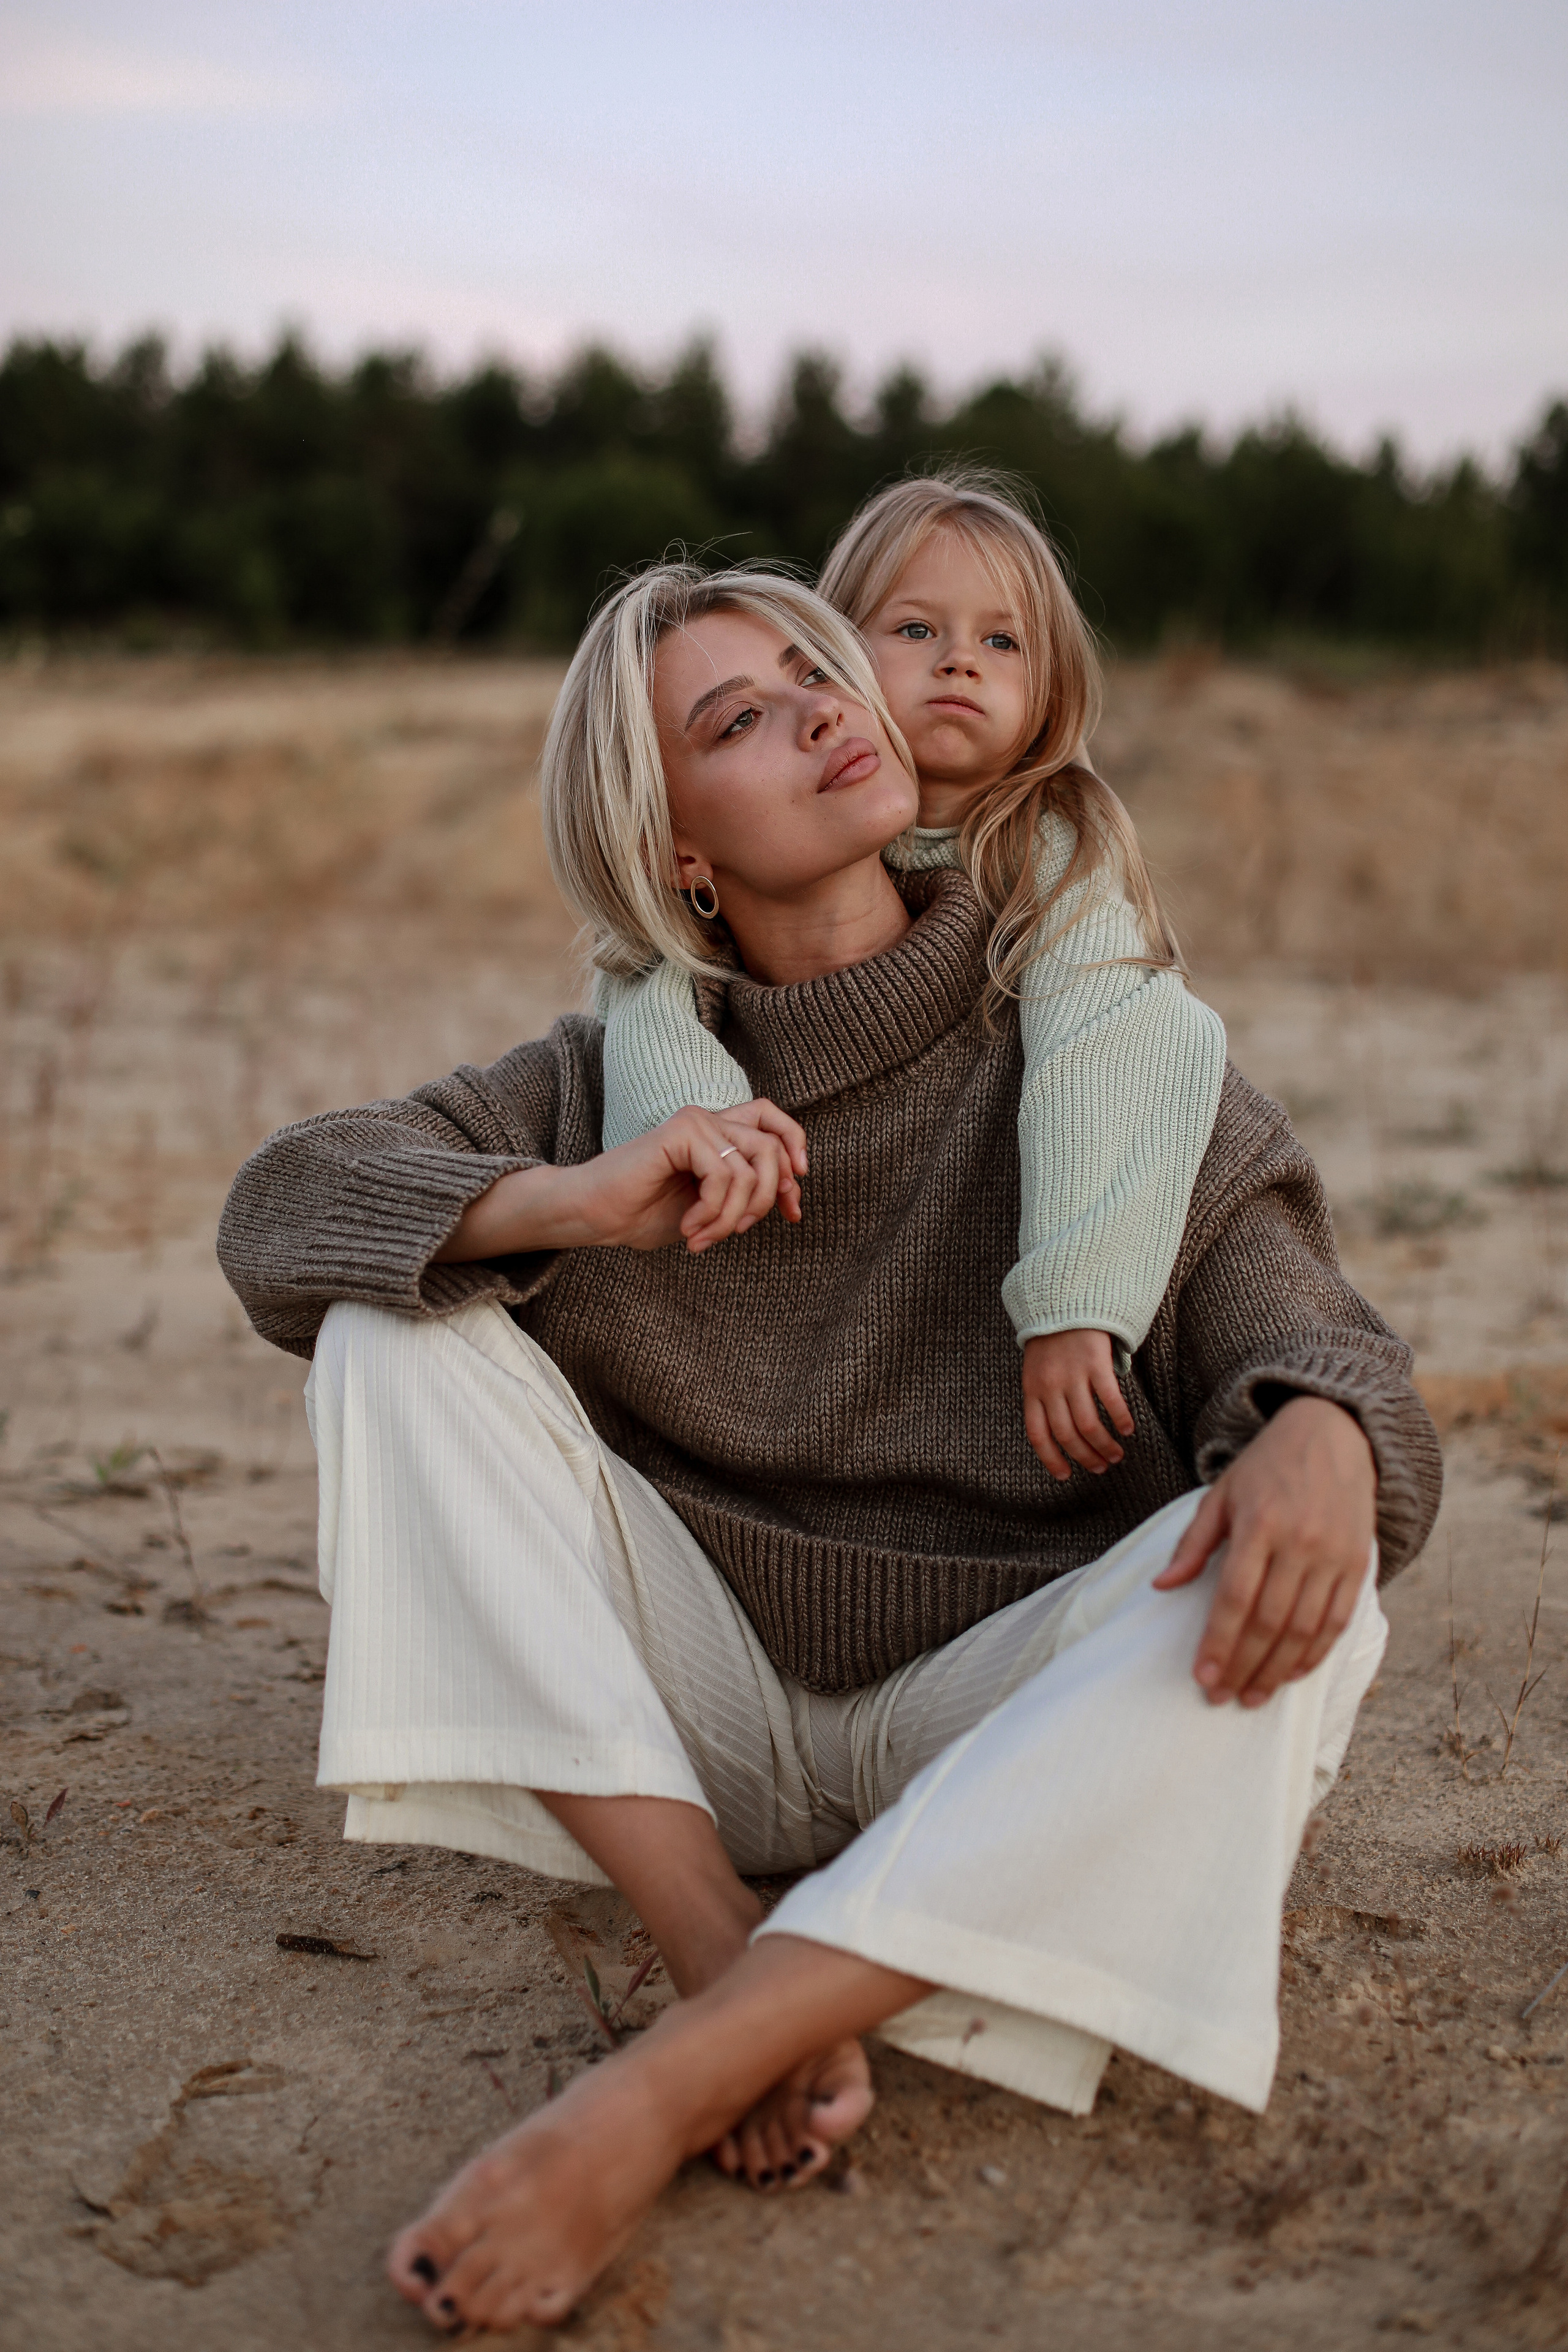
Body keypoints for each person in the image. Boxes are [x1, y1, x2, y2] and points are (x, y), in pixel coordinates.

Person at [217, 564, 1441, 2337]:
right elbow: (281, 1211)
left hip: (990, 1707)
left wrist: (1325, 1431)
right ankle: (719, 1938)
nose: (816, 709)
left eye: (814, 671)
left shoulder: (1094, 1044)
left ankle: (677, 2074)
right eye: (736, 719)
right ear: (676, 852)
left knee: (1303, 1588)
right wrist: (580, 1200)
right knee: (388, 1325)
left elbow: (1312, 1333)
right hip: (690, 1708)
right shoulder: (606, 1080)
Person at [595, 472, 1226, 1485]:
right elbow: (645, 982)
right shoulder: (798, 838)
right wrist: (694, 1121)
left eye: (1001, 642)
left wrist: (1074, 1299)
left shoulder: (1056, 848)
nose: (960, 666)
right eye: (916, 631)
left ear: (1050, 689)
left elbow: (1103, 1044)